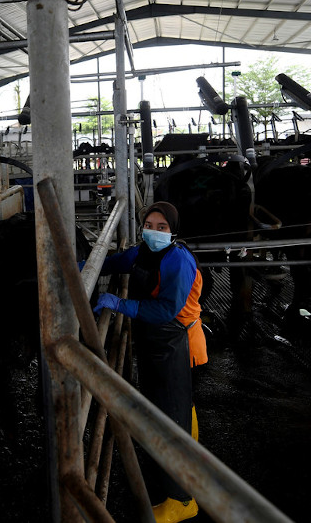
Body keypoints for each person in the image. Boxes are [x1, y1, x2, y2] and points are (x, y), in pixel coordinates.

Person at [92, 201, 207, 523]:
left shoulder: (178, 260)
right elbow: (117, 262)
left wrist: (119, 303)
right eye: (149, 225)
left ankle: (183, 501)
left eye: (162, 227)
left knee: (174, 415)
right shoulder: (144, 251)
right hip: (157, 342)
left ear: (173, 231)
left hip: (180, 344)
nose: (153, 232)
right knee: (177, 411)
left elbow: (166, 310)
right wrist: (82, 266)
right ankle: (190, 461)